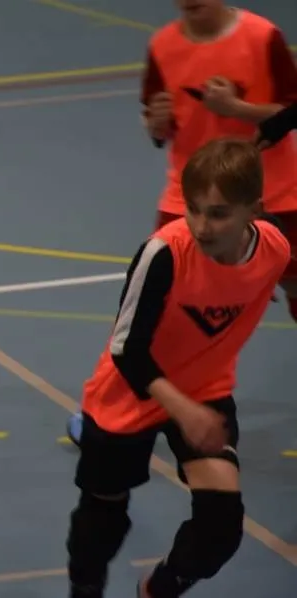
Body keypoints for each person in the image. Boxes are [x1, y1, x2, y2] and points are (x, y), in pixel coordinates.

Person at [64, 137, 291, 598]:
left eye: (219, 213)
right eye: (194, 210)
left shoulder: (275, 251)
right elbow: (127, 350)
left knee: (221, 527)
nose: (203, 226)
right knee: (102, 520)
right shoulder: (164, 254)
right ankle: (84, 590)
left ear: (256, 210)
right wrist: (183, 411)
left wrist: (194, 405)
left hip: (205, 391)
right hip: (130, 393)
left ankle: (157, 591)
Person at [67, 0, 297, 446]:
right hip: (189, 200)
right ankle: (103, 409)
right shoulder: (164, 45)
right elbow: (160, 126)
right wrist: (155, 126)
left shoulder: (260, 36)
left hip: (273, 191)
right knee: (146, 312)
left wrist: (237, 107)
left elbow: (292, 110)